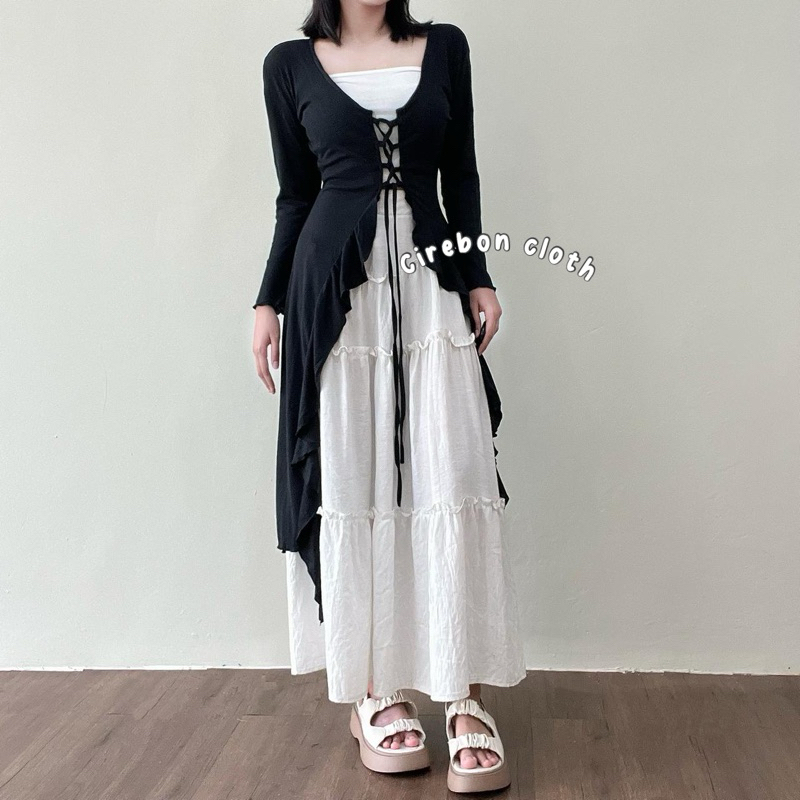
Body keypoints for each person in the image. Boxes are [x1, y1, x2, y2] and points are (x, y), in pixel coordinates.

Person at [252, 0, 526, 792]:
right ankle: (376, 688)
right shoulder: (288, 65)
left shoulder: (446, 47)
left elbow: (460, 171)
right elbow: (295, 195)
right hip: (336, 292)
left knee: (453, 470)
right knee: (355, 473)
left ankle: (464, 692)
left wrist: (478, 275)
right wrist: (268, 301)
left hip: (432, 280)